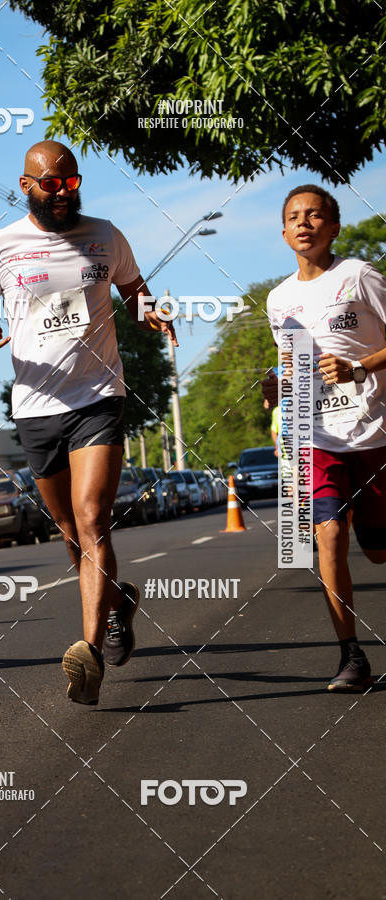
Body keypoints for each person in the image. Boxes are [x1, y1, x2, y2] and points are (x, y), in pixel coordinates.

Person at [0, 140, 176, 704]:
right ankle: (118, 602)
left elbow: (136, 295)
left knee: (92, 517)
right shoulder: (1, 245)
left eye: (71, 182)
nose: (62, 193)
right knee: (71, 533)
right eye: (51, 184)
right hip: (35, 407)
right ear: (26, 185)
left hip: (98, 396)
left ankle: (89, 653)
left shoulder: (106, 235)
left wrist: (152, 314)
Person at [263, 185, 386, 692]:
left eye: (315, 215)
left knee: (378, 551)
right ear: (284, 232)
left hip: (375, 432)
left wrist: (359, 367)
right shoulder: (278, 300)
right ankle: (351, 655)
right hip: (317, 437)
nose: (304, 222)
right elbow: (292, 366)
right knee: (328, 535)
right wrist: (277, 385)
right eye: (294, 216)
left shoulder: (359, 275)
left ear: (334, 227)